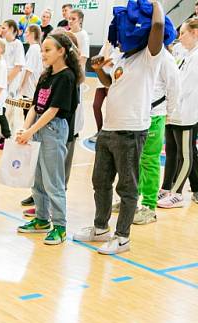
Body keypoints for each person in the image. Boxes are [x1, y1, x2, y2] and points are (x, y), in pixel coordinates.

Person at [74, 0, 165, 255]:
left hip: (132, 130)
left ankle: (123, 237)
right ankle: (100, 227)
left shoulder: (150, 57)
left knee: (127, 187)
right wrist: (99, 70)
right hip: (109, 128)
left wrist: (155, 2)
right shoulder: (122, 56)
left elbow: (157, 24)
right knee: (100, 181)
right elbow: (109, 83)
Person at [16, 32, 82, 245]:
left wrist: (31, 130)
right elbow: (36, 106)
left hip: (53, 131)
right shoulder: (46, 76)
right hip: (37, 129)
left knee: (54, 181)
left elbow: (52, 110)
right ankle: (42, 219)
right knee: (38, 179)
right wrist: (25, 129)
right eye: (42, 49)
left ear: (61, 51)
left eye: (48, 50)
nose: (43, 54)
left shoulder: (67, 77)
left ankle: (60, 226)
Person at [128, 43, 178, 221]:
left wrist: (169, 114)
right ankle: (132, 201)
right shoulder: (141, 53)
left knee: (149, 160)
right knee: (134, 159)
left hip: (155, 115)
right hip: (137, 115)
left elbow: (174, 87)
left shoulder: (165, 58)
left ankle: (149, 206)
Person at [159, 20, 198, 208]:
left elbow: (187, 88)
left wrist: (172, 107)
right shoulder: (186, 54)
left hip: (186, 114)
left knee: (186, 154)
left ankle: (177, 193)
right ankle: (167, 188)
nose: (179, 37)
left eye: (183, 33)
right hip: (174, 111)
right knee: (172, 151)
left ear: (195, 33)